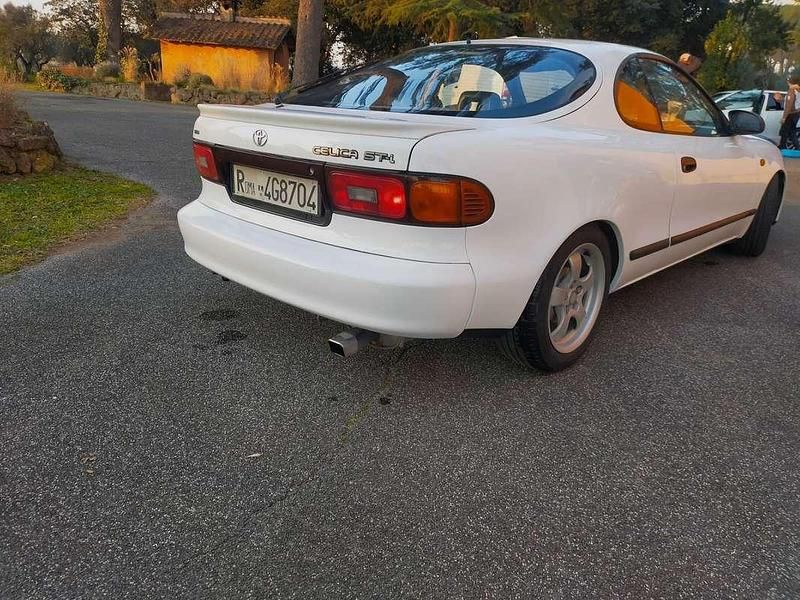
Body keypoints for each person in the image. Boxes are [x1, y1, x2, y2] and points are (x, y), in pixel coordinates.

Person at [780, 75, 800, 150]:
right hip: (796, 114)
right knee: (791, 132)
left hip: (791, 114)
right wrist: (781, 100)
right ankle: (783, 146)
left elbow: (789, 104)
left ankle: (782, 147)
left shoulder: (792, 90)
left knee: (785, 131)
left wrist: (784, 117)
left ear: (789, 82)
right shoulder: (797, 90)